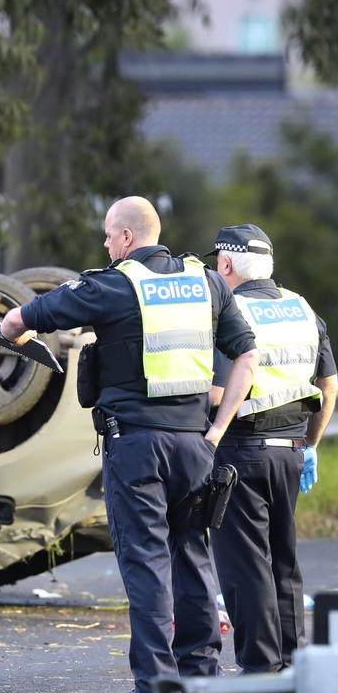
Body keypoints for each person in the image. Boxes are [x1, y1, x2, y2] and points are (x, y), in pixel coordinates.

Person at [0, 196, 259, 693]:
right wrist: (218, 431)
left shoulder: (113, 284)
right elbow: (247, 354)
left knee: (146, 564)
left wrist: (11, 336)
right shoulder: (205, 282)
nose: (104, 243)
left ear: (125, 238)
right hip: (195, 447)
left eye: (107, 234)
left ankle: (158, 683)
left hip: (137, 447)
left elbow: (17, 321)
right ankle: (201, 678)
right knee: (192, 556)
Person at [204, 224, 337, 673]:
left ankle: (260, 671)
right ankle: (293, 664)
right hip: (291, 450)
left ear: (226, 265)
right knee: (284, 561)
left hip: (240, 451)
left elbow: (221, 395)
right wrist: (312, 443)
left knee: (245, 566)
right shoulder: (301, 308)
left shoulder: (231, 311)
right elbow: (329, 383)